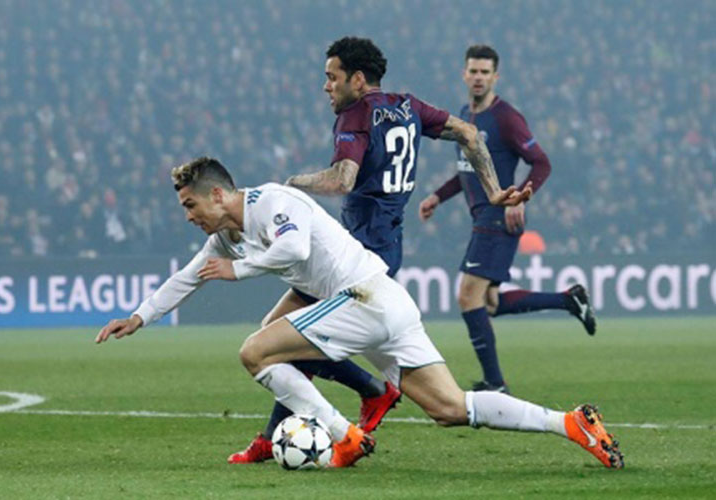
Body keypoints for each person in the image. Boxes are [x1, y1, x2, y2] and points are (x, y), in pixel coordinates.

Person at [95, 157, 623, 470]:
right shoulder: (225, 236)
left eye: (190, 205)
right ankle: (571, 424)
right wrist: (139, 317)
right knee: (449, 407)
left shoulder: (272, 202)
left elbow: (295, 248)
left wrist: (241, 270)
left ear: (217, 194)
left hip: (362, 298)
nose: (188, 215)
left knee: (256, 351)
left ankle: (342, 433)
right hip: (381, 303)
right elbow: (187, 277)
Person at [229, 36, 527, 464]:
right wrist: (494, 190)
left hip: (356, 256)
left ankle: (353, 399)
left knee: (280, 342)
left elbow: (342, 180)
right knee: (277, 333)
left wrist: (291, 186)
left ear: (357, 79)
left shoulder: (356, 114)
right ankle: (320, 413)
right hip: (386, 246)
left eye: (331, 77)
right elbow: (468, 133)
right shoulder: (407, 105)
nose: (326, 86)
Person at [419, 45, 596, 393]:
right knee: (489, 303)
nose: (479, 77)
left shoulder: (506, 118)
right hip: (482, 217)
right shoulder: (464, 116)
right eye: (474, 71)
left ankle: (496, 384)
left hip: (498, 217)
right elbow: (469, 169)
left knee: (467, 297)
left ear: (495, 76)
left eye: (485, 72)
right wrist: (438, 196)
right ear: (464, 74)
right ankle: (569, 299)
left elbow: (541, 162)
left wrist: (521, 199)